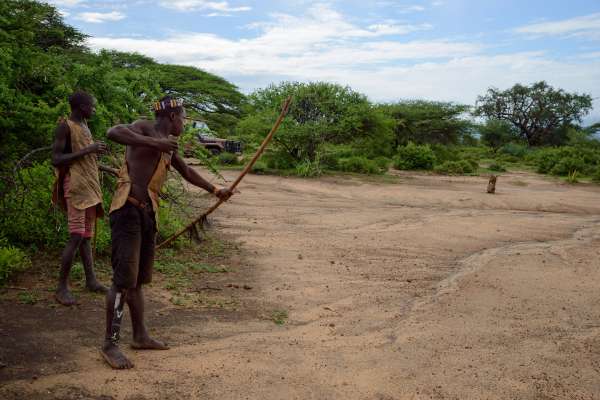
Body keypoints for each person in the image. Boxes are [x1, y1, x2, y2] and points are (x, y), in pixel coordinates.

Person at [101, 96, 232, 369]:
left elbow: (186, 172)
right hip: (127, 210)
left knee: (137, 281)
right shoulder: (144, 128)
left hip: (148, 214)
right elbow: (113, 132)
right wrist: (155, 143)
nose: (184, 123)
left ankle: (139, 336)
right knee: (123, 280)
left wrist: (216, 190)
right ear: (172, 117)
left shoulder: (169, 147)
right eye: (183, 117)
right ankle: (110, 344)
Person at [51, 91, 108, 306]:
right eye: (91, 106)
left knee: (85, 237)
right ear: (82, 106)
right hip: (75, 186)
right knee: (75, 236)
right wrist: (89, 150)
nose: (94, 109)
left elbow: (84, 157)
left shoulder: (84, 125)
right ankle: (61, 288)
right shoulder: (65, 126)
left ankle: (91, 281)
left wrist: (96, 154)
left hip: (89, 187)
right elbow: (56, 159)